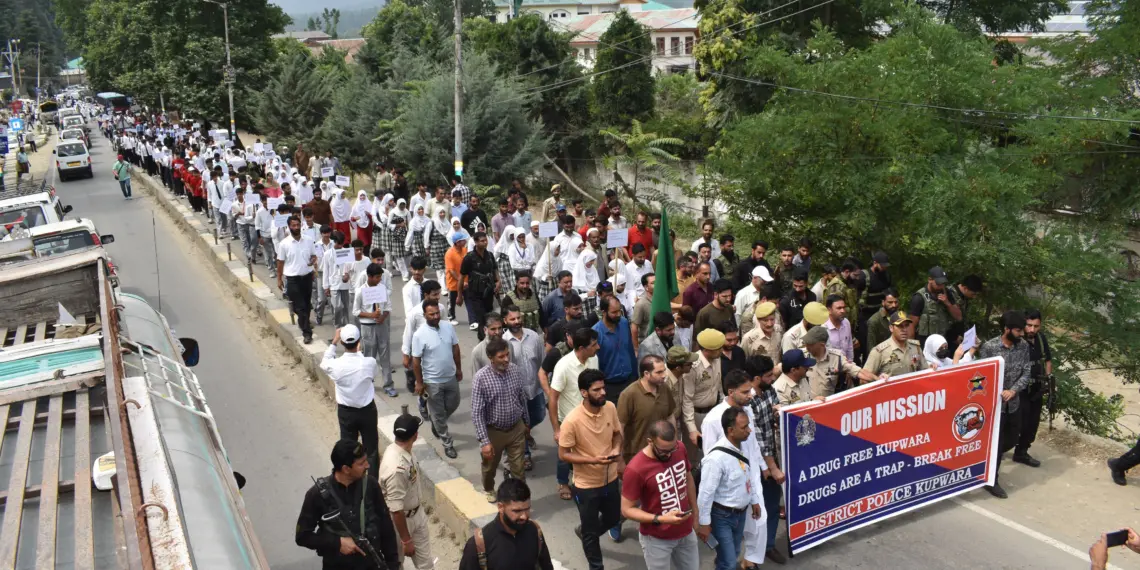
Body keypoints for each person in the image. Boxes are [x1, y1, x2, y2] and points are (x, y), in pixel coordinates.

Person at [295, 440, 400, 570]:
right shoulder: (317, 495)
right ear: (346, 469)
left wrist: (393, 565)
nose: (367, 466)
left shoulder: (371, 486)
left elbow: (386, 528)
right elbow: (303, 536)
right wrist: (337, 543)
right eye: (361, 463)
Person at [701, 370, 769, 570]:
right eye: (746, 391)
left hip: (750, 480)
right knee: (728, 557)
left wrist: (763, 466)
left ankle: (749, 562)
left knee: (757, 524)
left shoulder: (746, 411)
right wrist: (706, 519)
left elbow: (753, 445)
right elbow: (711, 461)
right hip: (726, 495)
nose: (751, 395)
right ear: (731, 392)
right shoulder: (713, 420)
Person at [560, 369, 625, 565]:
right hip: (586, 485)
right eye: (597, 390)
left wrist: (616, 449)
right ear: (584, 392)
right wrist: (593, 460)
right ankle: (595, 564)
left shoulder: (611, 408)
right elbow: (563, 454)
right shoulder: (572, 420)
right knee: (591, 533)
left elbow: (617, 434)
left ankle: (587, 532)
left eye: (603, 388)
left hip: (611, 478)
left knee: (614, 518)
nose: (603, 392)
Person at [620, 420, 698, 570]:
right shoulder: (636, 469)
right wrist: (661, 519)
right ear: (650, 442)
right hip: (656, 539)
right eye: (663, 451)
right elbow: (626, 509)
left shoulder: (680, 448)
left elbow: (688, 479)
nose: (669, 454)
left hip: (686, 532)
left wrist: (696, 512)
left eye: (672, 449)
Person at [976, 310, 1032, 499]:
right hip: (995, 407)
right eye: (1018, 331)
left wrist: (1013, 390)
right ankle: (991, 479)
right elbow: (980, 377)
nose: (1021, 334)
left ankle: (988, 458)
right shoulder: (990, 348)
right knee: (997, 443)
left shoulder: (1023, 346)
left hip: (1013, 403)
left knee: (1011, 439)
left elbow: (1026, 372)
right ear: (1006, 329)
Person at [471, 338, 531, 502]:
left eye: (507, 355)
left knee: (518, 467)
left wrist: (526, 423)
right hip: (493, 432)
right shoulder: (481, 378)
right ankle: (489, 488)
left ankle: (519, 499)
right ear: (491, 357)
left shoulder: (515, 371)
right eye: (501, 356)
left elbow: (521, 398)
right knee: (489, 466)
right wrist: (484, 441)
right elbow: (477, 412)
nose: (506, 359)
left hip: (516, 429)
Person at [743, 355, 786, 564]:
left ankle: (767, 546)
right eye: (769, 375)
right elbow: (757, 438)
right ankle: (750, 554)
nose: (773, 378)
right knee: (754, 510)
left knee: (770, 505)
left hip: (774, 456)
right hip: (758, 463)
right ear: (757, 377)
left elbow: (776, 410)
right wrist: (771, 467)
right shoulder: (748, 401)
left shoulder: (769, 390)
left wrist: (780, 413)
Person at [549, 327, 600, 500]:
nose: (598, 347)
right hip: (568, 422)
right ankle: (563, 482)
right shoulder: (563, 366)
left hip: (590, 418)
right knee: (565, 457)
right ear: (581, 348)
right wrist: (557, 429)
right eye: (593, 345)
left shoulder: (594, 360)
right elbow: (553, 398)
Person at [378, 414, 434, 570]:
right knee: (396, 564)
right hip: (400, 522)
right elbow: (396, 510)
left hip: (417, 514)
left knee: (426, 565)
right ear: (415, 436)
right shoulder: (396, 468)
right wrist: (406, 540)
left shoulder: (403, 451)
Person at [459, 479, 554, 570]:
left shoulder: (534, 531)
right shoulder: (478, 544)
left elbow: (546, 566)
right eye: (517, 511)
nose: (524, 516)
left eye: (527, 509)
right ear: (500, 507)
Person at [411, 300, 463, 459]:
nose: (435, 316)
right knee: (439, 413)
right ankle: (447, 443)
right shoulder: (419, 334)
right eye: (431, 314)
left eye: (437, 313)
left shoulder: (448, 327)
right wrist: (420, 382)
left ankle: (436, 421)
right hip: (432, 382)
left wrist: (459, 368)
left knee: (454, 403)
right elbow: (416, 361)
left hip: (450, 376)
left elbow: (455, 348)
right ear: (424, 315)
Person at [617, 355, 678, 463]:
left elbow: (670, 416)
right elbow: (620, 428)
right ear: (646, 374)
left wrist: (674, 443)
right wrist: (620, 460)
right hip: (636, 457)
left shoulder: (664, 388)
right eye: (659, 372)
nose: (664, 376)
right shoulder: (629, 395)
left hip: (662, 453)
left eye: (664, 371)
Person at [1015, 308, 1052, 468]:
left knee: (1032, 423)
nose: (1032, 330)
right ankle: (999, 449)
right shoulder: (1017, 340)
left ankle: (1022, 452)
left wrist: (1048, 379)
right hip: (1019, 388)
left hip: (1037, 388)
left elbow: (1048, 360)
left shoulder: (1041, 339)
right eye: (1029, 325)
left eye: (1036, 326)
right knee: (1016, 422)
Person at [353, 263, 396, 398]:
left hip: (381, 326)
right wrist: (371, 315)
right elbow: (356, 311)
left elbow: (388, 307)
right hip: (367, 327)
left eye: (380, 277)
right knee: (369, 357)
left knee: (385, 355)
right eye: (377, 277)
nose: (379, 280)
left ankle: (388, 384)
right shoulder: (360, 291)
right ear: (369, 277)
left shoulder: (381, 288)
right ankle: (368, 384)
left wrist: (382, 317)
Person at [802, 326, 879, 397]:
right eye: (806, 343)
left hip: (830, 405)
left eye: (810, 344)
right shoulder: (803, 357)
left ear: (822, 345)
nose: (807, 346)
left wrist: (879, 380)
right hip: (809, 406)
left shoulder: (837, 358)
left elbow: (859, 372)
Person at [277, 215, 319, 344]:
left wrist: (313, 260)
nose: (296, 227)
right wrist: (279, 278)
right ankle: (307, 333)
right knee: (299, 307)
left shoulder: (308, 240)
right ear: (289, 227)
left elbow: (313, 256)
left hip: (306, 277)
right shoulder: (284, 244)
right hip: (292, 279)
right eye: (293, 225)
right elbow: (280, 262)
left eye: (298, 225)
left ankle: (303, 321)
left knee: (306, 305)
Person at [681, 329, 725, 449]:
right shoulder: (693, 367)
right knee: (695, 454)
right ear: (706, 350)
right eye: (718, 348)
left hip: (714, 411)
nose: (722, 350)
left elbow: (718, 386)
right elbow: (687, 399)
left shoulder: (717, 358)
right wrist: (692, 429)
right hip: (697, 415)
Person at [593, 296, 638, 402]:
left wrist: (635, 376)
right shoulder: (596, 333)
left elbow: (630, 350)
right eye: (614, 312)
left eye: (620, 311)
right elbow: (596, 363)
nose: (618, 314)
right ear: (603, 312)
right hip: (610, 387)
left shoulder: (624, 323)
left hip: (630, 381)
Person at [863, 311, 928, 379]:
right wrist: (878, 379)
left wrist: (932, 369)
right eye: (900, 326)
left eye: (906, 325)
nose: (904, 329)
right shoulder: (879, 352)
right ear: (891, 328)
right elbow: (863, 379)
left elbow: (925, 371)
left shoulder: (915, 347)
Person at [459, 232, 500, 339]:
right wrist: (459, 295)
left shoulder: (490, 255)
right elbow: (462, 277)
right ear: (476, 242)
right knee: (482, 318)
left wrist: (498, 282)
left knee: (489, 316)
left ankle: (491, 339)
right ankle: (482, 340)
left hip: (489, 292)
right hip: (475, 294)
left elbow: (495, 269)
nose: (485, 242)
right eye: (482, 241)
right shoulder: (469, 258)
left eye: (485, 240)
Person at [909, 266, 963, 345]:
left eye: (943, 283)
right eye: (938, 283)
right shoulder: (919, 297)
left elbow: (959, 317)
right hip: (926, 343)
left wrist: (947, 303)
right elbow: (911, 325)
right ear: (930, 280)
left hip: (944, 341)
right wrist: (911, 346)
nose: (941, 286)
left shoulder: (947, 293)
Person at [734, 266, 775, 335]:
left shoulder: (767, 292)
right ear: (755, 278)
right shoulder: (743, 294)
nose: (765, 282)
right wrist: (737, 335)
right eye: (763, 280)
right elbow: (737, 316)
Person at [823, 294, 855, 362]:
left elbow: (849, 347)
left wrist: (850, 362)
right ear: (829, 310)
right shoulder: (823, 328)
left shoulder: (846, 323)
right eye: (839, 308)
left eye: (844, 307)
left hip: (846, 366)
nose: (843, 311)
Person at [630, 273, 655, 345]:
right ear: (646, 287)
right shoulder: (641, 304)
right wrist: (636, 348)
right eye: (653, 283)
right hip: (647, 343)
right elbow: (634, 328)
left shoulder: (660, 300)